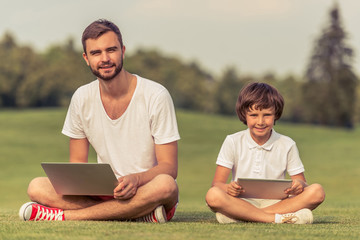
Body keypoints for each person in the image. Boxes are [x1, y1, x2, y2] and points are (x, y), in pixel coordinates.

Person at [19, 19, 180, 223]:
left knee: (166, 185)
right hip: (104, 192)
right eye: (96, 53)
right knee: (37, 186)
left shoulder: (156, 95)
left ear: (122, 51)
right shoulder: (81, 98)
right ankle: (139, 215)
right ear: (86, 58)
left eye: (111, 50)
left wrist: (136, 179)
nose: (105, 58)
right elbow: (77, 164)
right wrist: (85, 184)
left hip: (146, 188)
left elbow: (169, 167)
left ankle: (65, 217)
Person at [205, 82, 325, 224]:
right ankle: (278, 218)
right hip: (242, 202)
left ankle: (241, 216)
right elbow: (217, 185)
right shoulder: (233, 141)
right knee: (213, 195)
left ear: (276, 115)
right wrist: (228, 188)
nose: (260, 121)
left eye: (267, 115)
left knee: (317, 191)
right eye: (254, 115)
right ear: (244, 115)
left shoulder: (287, 144)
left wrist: (298, 185)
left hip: (278, 204)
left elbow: (303, 183)